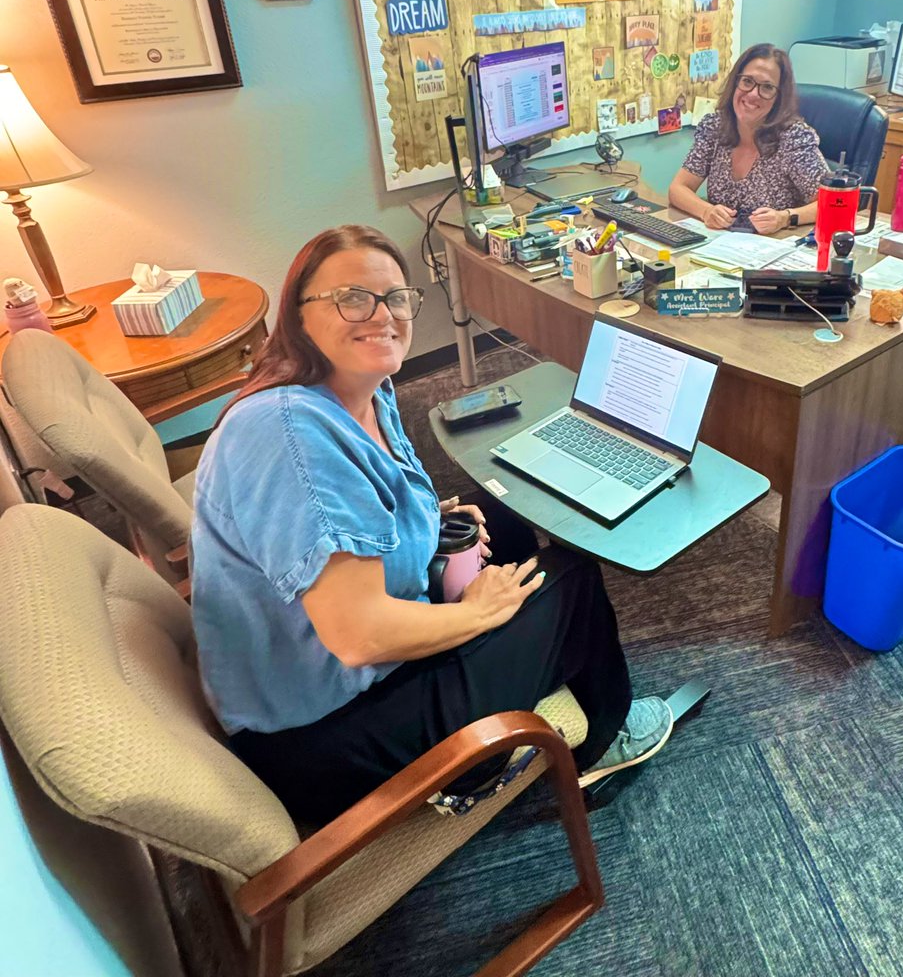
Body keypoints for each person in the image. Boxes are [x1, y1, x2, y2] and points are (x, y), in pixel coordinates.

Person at [190, 225, 672, 825]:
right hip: (321, 739)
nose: (382, 316)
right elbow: (359, 635)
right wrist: (478, 613)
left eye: (395, 298)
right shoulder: (287, 431)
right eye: (353, 298)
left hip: (327, 673)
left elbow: (351, 508)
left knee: (498, 518)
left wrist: (426, 517)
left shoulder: (356, 389)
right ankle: (606, 741)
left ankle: (546, 661)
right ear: (298, 314)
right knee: (571, 581)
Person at [669, 43, 828, 234]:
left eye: (767, 87)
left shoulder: (793, 138)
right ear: (735, 83)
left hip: (775, 248)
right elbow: (678, 188)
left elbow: (834, 203)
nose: (753, 94)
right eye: (747, 81)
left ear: (779, 97)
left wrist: (785, 217)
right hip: (721, 247)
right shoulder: (715, 127)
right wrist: (707, 211)